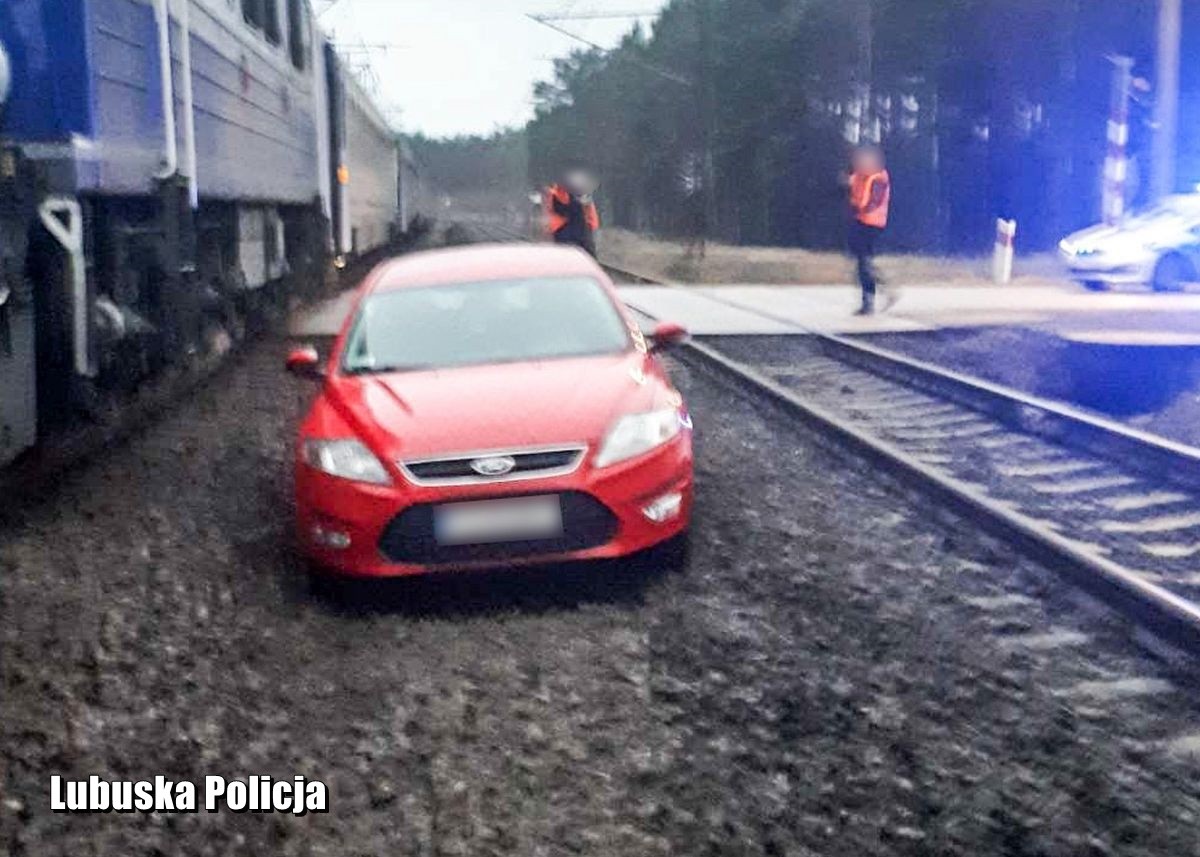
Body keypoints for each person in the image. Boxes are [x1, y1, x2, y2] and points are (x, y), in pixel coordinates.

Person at [847, 146, 891, 315]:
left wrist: (858, 207)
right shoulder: (861, 176)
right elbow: (851, 186)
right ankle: (874, 295)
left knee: (864, 262)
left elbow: (872, 201)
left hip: (873, 223)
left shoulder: (879, 178)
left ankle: (876, 295)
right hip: (861, 221)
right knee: (861, 261)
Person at [544, 168, 600, 257]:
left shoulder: (581, 198)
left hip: (577, 231)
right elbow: (560, 209)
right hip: (564, 230)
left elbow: (589, 216)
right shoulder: (556, 193)